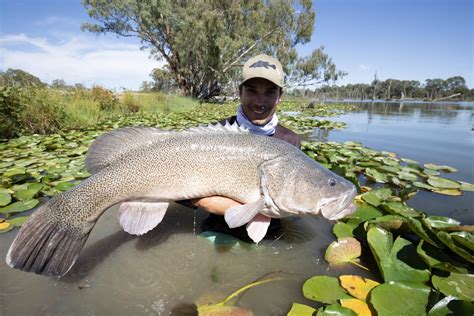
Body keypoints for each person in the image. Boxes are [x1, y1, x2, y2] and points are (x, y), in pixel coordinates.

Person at [193, 54, 301, 240]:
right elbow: (184, 187)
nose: (260, 102)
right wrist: (208, 203)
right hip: (218, 231)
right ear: (240, 91)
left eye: (269, 92)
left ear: (280, 96)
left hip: (270, 236)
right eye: (252, 91)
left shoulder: (290, 141)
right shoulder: (213, 135)